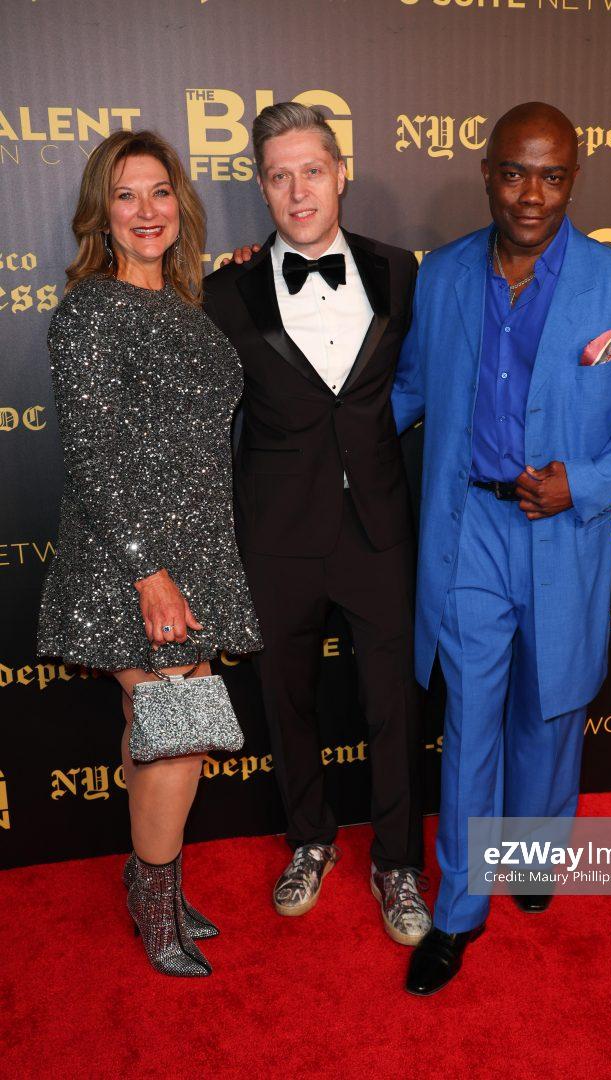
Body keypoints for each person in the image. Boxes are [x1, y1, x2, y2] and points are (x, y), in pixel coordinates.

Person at [392, 102, 611, 996]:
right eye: (516, 172)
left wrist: (587, 481)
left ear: (574, 180)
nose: (532, 194)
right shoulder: (445, 275)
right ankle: (458, 912)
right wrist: (309, 439)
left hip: (563, 532)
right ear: (487, 172)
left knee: (550, 708)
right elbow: (407, 390)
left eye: (552, 175)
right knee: (470, 717)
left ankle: (531, 852)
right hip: (469, 533)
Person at [203, 103, 431, 946]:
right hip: (277, 535)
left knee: (393, 704)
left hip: (378, 526)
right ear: (262, 188)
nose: (297, 191)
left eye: (311, 171)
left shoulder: (400, 270)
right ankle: (310, 839)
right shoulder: (223, 291)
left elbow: (429, 378)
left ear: (340, 174)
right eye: (278, 176)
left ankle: (397, 861)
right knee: (286, 699)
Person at [37, 130, 262, 977]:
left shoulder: (189, 306)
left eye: (159, 192)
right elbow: (91, 453)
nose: (145, 210)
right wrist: (148, 571)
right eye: (126, 195)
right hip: (129, 556)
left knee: (157, 726)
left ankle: (151, 880)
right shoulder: (90, 312)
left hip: (195, 547)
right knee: (178, 731)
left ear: (179, 204)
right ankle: (156, 902)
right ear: (102, 213)